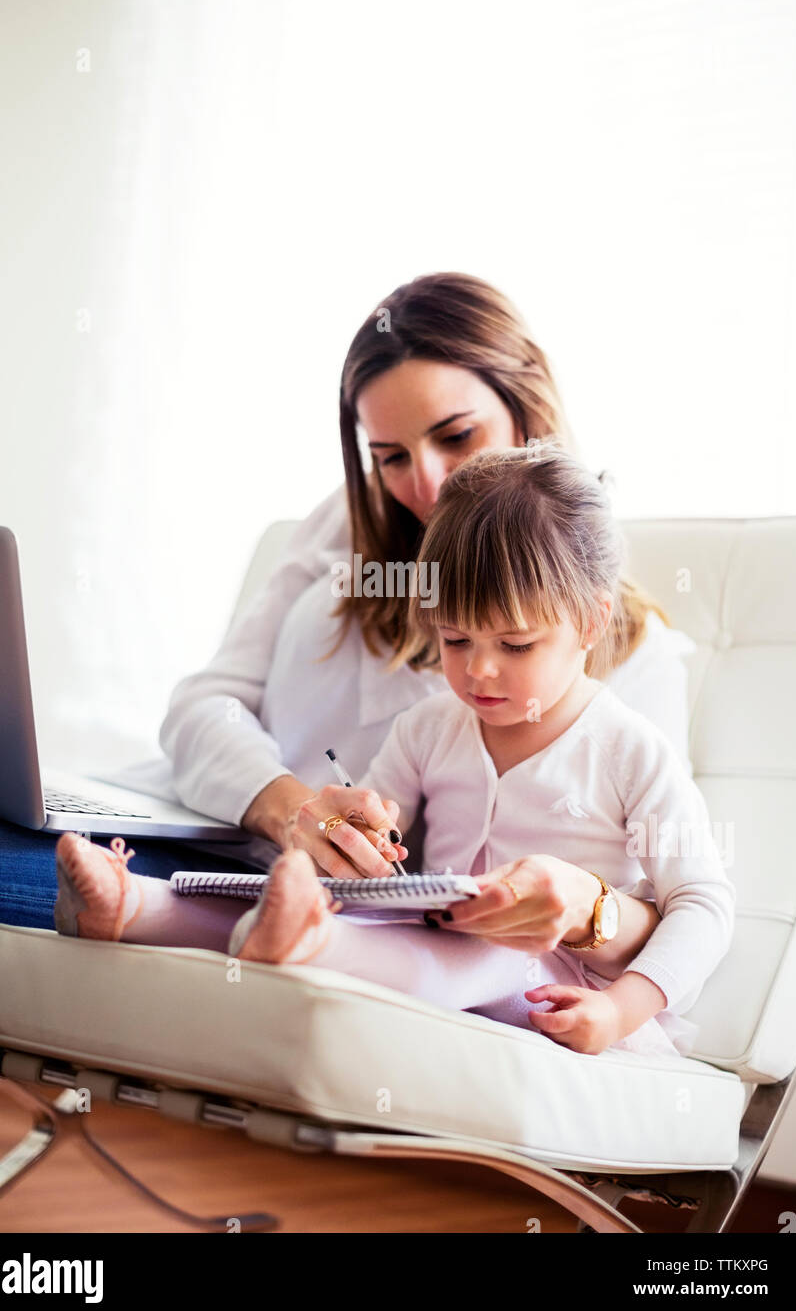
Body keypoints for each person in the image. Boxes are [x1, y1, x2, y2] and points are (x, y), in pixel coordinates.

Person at [0, 273, 695, 956]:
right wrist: (288, 809)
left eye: (457, 435)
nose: (428, 484)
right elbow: (201, 708)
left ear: (528, 407)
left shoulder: (626, 651)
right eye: (391, 456)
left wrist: (588, 908)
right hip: (192, 824)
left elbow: (660, 905)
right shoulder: (346, 524)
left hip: (315, 906)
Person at [53, 443, 735, 1058]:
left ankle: (310, 943)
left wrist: (621, 1009)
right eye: (456, 640)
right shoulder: (430, 726)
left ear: (590, 621)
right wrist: (361, 832)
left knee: (483, 950)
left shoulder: (628, 751)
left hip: (553, 982)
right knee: (335, 901)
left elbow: (704, 905)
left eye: (516, 645)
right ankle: (133, 904)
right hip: (434, 939)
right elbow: (367, 862)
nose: (479, 672)